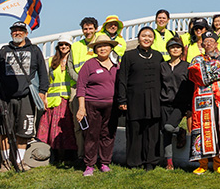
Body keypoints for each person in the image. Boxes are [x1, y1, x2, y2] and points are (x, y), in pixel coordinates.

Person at [0, 21, 49, 171]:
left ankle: (20, 161)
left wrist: (42, 92)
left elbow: (43, 72)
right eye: (14, 31)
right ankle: (6, 162)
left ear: (26, 33)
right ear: (11, 33)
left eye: (20, 30)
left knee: (24, 130)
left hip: (26, 96)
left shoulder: (34, 50)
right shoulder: (3, 51)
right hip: (5, 97)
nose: (17, 33)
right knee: (3, 131)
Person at [116, 27, 164, 171]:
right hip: (134, 99)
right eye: (144, 36)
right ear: (139, 38)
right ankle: (134, 162)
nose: (147, 38)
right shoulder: (129, 56)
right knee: (135, 131)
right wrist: (122, 100)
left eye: (150, 36)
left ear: (153, 39)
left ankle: (151, 161)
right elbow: (122, 79)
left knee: (152, 131)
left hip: (154, 100)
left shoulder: (158, 56)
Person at [187, 32, 220, 175]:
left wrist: (210, 68)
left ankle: (218, 163)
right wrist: (218, 68)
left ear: (216, 44)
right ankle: (203, 164)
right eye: (205, 42)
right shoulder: (196, 59)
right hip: (203, 100)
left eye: (211, 41)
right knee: (202, 129)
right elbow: (198, 75)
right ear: (201, 45)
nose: (208, 44)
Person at [76, 36, 119, 177]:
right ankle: (89, 165)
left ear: (111, 48)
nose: (102, 48)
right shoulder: (89, 64)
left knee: (108, 134)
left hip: (112, 106)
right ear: (95, 49)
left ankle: (105, 163)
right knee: (91, 134)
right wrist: (81, 108)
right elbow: (81, 86)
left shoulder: (117, 64)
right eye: (99, 46)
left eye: (106, 45)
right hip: (92, 105)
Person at [37, 35, 78, 165]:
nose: (64, 47)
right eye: (61, 45)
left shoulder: (74, 60)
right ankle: (55, 155)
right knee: (52, 129)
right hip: (54, 99)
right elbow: (47, 80)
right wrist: (45, 97)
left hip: (67, 98)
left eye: (66, 45)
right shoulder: (51, 61)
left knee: (67, 129)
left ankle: (69, 156)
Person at [160, 38, 191, 168]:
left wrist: (189, 106)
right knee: (165, 132)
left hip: (180, 104)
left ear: (181, 50)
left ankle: (180, 132)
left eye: (178, 47)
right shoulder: (162, 66)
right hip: (164, 102)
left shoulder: (187, 66)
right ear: (168, 50)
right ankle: (169, 162)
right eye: (172, 47)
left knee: (169, 127)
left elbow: (190, 86)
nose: (175, 49)